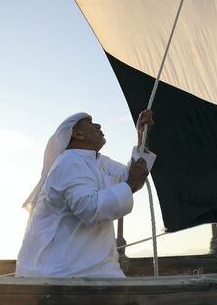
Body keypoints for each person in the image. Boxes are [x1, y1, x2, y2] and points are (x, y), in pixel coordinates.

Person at [16, 110, 153, 278]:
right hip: (60, 275)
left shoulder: (100, 162)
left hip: (93, 272)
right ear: (77, 133)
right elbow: (89, 208)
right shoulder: (68, 162)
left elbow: (133, 175)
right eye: (90, 123)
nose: (98, 125)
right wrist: (130, 184)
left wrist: (142, 136)